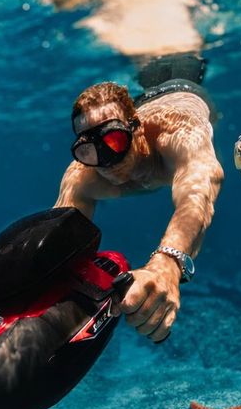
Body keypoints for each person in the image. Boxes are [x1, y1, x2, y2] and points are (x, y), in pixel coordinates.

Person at [54, 64, 223, 342]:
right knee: (148, 67)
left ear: (137, 128)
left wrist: (168, 264)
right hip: (145, 100)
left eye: (114, 141)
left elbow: (201, 188)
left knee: (169, 56)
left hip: (184, 83)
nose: (106, 162)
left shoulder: (175, 133)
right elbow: (58, 237)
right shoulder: (84, 176)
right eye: (89, 151)